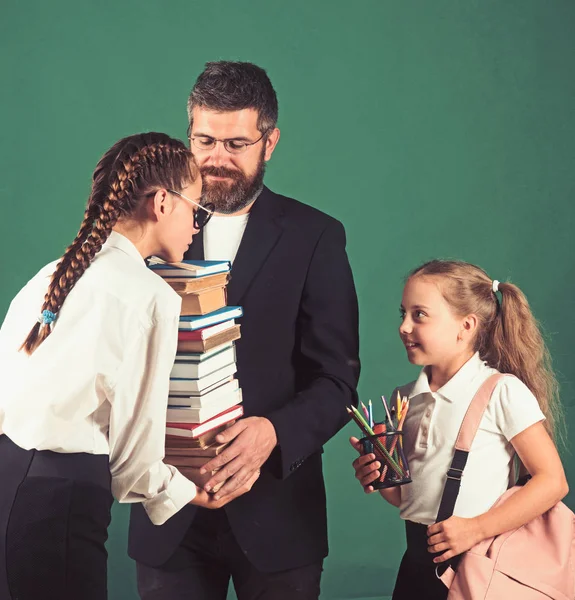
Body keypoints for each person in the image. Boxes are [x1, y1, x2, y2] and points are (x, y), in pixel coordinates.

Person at [129, 62, 361, 600]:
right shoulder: (149, 228)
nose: (217, 159)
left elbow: (336, 381)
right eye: (205, 140)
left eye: (236, 143)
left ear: (270, 142)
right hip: (169, 513)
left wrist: (274, 434)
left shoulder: (316, 236)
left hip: (280, 517)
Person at [0, 132, 258, 600]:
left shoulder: (50, 276)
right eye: (196, 209)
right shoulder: (149, 295)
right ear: (162, 202)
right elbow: (136, 462)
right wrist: (196, 493)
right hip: (63, 503)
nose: (197, 226)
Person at [351, 259, 569, 600]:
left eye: (419, 314)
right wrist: (381, 478)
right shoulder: (405, 399)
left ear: (465, 326)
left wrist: (475, 529)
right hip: (417, 563)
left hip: (479, 563)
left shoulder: (501, 391)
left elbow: (552, 481)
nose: (404, 326)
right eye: (403, 313)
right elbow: (408, 499)